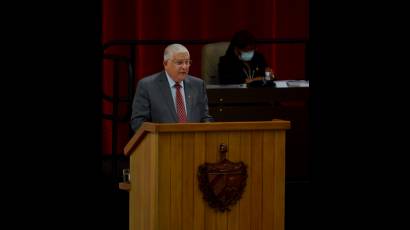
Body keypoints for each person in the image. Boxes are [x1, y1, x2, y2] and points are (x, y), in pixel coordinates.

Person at [130, 43, 214, 131]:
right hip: (161, 142)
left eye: (187, 62)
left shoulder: (198, 85)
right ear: (165, 63)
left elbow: (205, 117)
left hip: (194, 142)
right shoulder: (147, 86)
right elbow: (138, 122)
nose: (185, 67)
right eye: (179, 63)